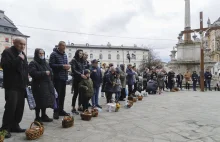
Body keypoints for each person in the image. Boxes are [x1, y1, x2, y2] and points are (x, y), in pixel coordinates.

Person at [0, 38, 28, 138]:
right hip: (11, 86)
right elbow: (5, 66)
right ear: (14, 43)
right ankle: (4, 129)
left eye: (24, 44)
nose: (22, 46)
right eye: (20, 44)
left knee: (19, 108)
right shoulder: (7, 52)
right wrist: (18, 59)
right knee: (10, 108)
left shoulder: (23, 54)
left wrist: (27, 83)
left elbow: (25, 70)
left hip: (21, 86)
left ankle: (15, 125)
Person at [28, 49, 54, 124]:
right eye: (40, 53)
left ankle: (43, 115)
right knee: (38, 101)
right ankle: (37, 117)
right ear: (36, 54)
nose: (42, 54)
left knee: (44, 101)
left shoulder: (45, 62)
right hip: (38, 85)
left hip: (46, 85)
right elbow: (33, 73)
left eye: (43, 53)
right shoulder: (33, 63)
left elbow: (50, 71)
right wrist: (44, 73)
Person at [49, 41, 70, 119]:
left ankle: (61, 110)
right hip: (57, 78)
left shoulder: (65, 55)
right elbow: (51, 65)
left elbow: (65, 65)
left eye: (65, 46)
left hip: (64, 78)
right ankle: (56, 112)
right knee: (57, 95)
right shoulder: (53, 54)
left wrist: (67, 67)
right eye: (63, 45)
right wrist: (62, 66)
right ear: (59, 46)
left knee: (62, 95)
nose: (64, 47)